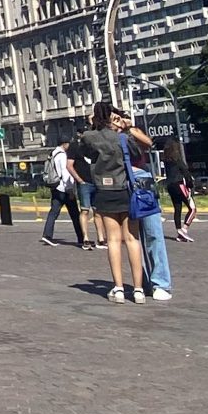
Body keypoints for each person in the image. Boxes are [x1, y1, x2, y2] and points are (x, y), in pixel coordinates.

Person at [73, 100, 149, 303]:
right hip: (126, 189)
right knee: (132, 239)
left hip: (105, 191)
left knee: (113, 240)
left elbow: (85, 152)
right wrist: (123, 127)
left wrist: (92, 126)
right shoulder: (122, 138)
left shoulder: (90, 136)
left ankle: (118, 287)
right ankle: (139, 290)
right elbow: (136, 154)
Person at [128, 135, 173, 300]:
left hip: (142, 182)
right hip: (119, 184)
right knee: (131, 238)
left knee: (153, 234)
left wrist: (128, 127)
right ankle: (143, 282)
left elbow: (148, 143)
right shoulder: (103, 135)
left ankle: (160, 283)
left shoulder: (131, 132)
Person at [39, 139, 90, 250]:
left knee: (53, 212)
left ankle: (47, 235)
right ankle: (81, 238)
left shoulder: (53, 153)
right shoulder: (62, 155)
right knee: (75, 214)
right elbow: (65, 172)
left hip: (55, 186)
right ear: (65, 144)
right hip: (64, 188)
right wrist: (70, 189)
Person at [163, 137, 196, 241]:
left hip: (170, 185)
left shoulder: (166, 160)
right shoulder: (177, 159)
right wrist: (190, 185)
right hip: (179, 184)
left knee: (177, 208)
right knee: (193, 209)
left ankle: (179, 232)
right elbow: (185, 172)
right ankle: (184, 229)